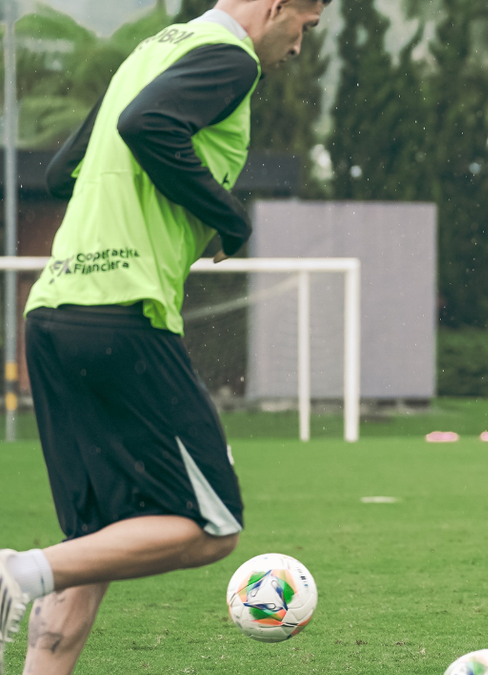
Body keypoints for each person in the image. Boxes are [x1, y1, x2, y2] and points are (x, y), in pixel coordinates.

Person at [0, 1, 328, 672]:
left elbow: (64, 169)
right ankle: (16, 571)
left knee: (92, 545)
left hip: (55, 310)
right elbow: (147, 125)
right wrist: (229, 217)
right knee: (212, 527)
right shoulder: (231, 57)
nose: (300, 45)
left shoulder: (149, 52)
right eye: (308, 23)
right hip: (123, 315)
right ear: (275, 7)